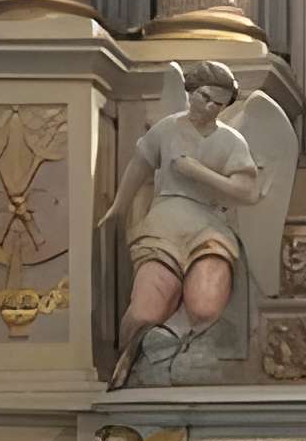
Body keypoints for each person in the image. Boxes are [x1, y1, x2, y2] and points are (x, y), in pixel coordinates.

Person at [98, 62, 272, 371]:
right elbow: (139, 166)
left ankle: (168, 343)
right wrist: (118, 206)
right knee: (144, 313)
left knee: (205, 306)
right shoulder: (167, 128)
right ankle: (132, 358)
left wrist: (197, 171)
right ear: (190, 92)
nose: (211, 107)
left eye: (219, 103)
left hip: (209, 226)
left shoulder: (231, 140)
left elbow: (246, 192)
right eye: (205, 97)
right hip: (165, 224)